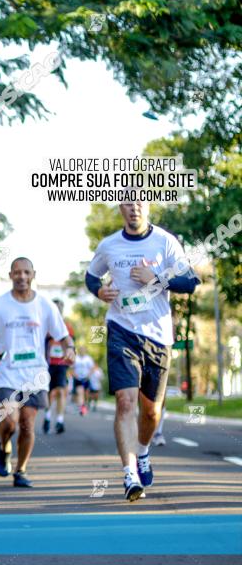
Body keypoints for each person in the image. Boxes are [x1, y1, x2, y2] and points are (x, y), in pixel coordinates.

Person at [85, 200, 199, 501]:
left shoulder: (165, 242)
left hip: (159, 337)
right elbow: (91, 275)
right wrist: (99, 290)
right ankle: (130, 473)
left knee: (151, 412)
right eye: (127, 203)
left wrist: (159, 279)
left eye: (138, 202)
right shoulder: (110, 245)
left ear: (147, 207)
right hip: (121, 330)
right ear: (120, 209)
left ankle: (144, 451)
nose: (133, 208)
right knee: (125, 402)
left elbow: (191, 283)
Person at [0, 257, 74, 488]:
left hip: (35, 374)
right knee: (9, 422)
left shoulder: (45, 305)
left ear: (33, 274)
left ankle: (21, 470)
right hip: (6, 372)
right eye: (17, 272)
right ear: (10, 275)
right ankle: (3, 447)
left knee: (27, 422)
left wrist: (70, 348)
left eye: (26, 272)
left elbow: (63, 335)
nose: (22, 277)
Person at [43, 299, 75, 434]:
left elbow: (72, 345)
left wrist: (72, 359)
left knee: (61, 391)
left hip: (62, 364)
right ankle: (48, 417)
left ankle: (60, 421)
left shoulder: (68, 327)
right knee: (50, 393)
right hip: (48, 365)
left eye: (59, 308)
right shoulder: (45, 326)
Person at [71, 346, 95, 415]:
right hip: (78, 378)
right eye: (81, 350)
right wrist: (75, 375)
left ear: (85, 351)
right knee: (79, 392)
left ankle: (85, 404)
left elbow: (92, 368)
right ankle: (82, 408)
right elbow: (72, 368)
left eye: (83, 350)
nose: (82, 351)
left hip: (86, 378)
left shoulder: (88, 359)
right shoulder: (76, 358)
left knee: (86, 393)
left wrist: (88, 375)